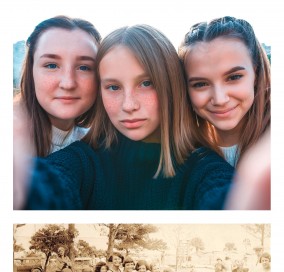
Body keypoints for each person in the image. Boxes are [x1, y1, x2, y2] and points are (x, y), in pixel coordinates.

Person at [15, 24, 234, 210]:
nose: (128, 105)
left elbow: (225, 198)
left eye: (146, 83)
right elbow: (50, 184)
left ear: (171, 86)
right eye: (113, 87)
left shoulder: (206, 170)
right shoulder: (84, 159)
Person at [179, 16, 270, 167]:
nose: (220, 99)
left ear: (256, 73)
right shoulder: (183, 156)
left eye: (234, 77)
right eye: (201, 84)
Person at [14, 15, 101, 157]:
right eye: (52, 65)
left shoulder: (99, 147)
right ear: (31, 72)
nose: (68, 83)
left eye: (84, 67)